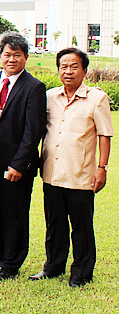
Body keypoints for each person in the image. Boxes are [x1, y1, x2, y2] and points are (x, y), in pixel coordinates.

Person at [28, 48, 112, 288]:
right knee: (54, 224)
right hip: (51, 173)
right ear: (58, 70)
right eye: (64, 66)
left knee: (81, 226)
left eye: (74, 66)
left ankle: (81, 273)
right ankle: (53, 267)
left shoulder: (97, 98)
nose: (68, 71)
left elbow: (104, 134)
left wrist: (102, 167)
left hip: (80, 174)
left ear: (84, 70)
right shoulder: (49, 96)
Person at [0, 32, 46, 280]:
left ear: (26, 57)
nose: (12, 59)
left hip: (15, 160)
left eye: (17, 55)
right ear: (0, 56)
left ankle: (11, 263)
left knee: (14, 212)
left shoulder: (34, 87)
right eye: (7, 54)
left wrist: (18, 163)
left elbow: (33, 131)